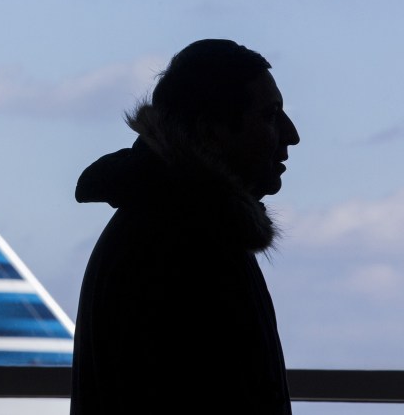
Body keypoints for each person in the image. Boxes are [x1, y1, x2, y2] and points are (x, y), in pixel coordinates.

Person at [70, 39, 300, 415]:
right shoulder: (190, 246)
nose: (291, 134)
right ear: (211, 131)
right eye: (270, 115)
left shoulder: (163, 224)